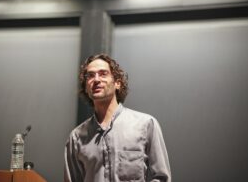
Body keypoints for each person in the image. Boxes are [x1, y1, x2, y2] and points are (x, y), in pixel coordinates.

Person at [64, 54, 171, 182]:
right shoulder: (76, 137)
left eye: (103, 74)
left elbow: (161, 178)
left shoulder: (146, 124)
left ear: (117, 83)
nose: (96, 79)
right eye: (90, 75)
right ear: (86, 87)